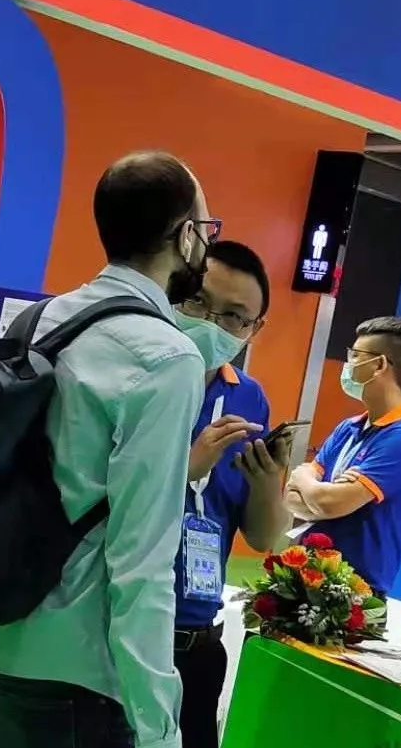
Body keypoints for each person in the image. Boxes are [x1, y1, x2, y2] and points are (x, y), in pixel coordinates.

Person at [0, 151, 220, 748]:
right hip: (73, 674)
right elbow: (142, 560)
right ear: (186, 237)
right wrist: (158, 726)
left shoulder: (39, 321)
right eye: (206, 227)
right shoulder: (168, 358)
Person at [171, 240, 292, 748]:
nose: (212, 323)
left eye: (234, 317)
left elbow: (264, 538)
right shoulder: (141, 378)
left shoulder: (248, 398)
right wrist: (186, 468)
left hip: (198, 642)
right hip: (117, 632)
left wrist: (267, 485)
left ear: (253, 328)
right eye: (199, 303)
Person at [283, 317, 401, 605]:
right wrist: (323, 494)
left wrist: (305, 480)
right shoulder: (348, 428)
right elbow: (290, 498)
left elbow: (328, 503)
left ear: (379, 365)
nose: (347, 364)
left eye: (354, 356)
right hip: (307, 578)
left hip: (355, 596)